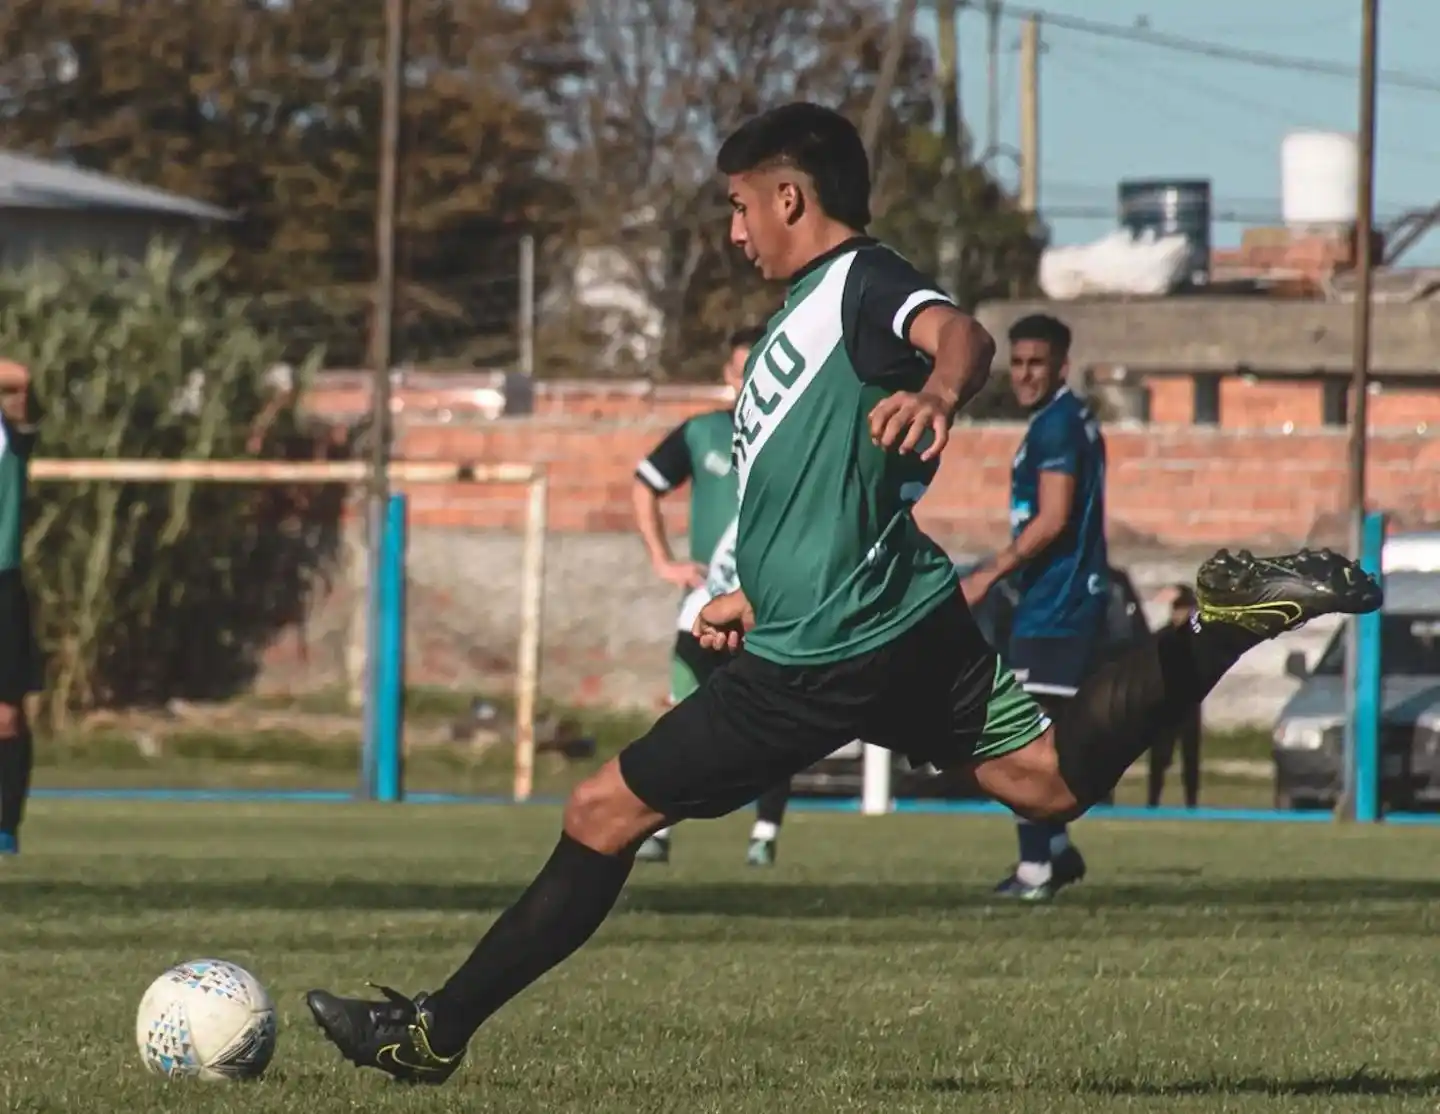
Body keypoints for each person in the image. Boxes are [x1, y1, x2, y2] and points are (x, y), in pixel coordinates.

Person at [304, 102, 1382, 1084]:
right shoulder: (804, 315)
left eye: (739, 207)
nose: (735, 234)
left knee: (602, 810)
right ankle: (1221, 625)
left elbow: (962, 334)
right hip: (891, 617)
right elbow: (814, 492)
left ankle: (433, 1033)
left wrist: (943, 390)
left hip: (826, 654)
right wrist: (759, 598)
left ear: (788, 196)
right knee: (1046, 785)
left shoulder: (861, 283)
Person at [631, 326, 792, 867]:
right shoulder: (701, 433)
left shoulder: (794, 435)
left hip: (771, 603)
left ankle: (764, 835)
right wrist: (662, 559)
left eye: (758, 369)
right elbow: (644, 482)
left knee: (775, 719)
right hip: (704, 599)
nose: (748, 379)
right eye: (740, 368)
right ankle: (658, 828)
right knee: (684, 713)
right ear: (728, 374)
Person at [960, 313, 1107, 902]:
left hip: (1059, 605)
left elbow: (1051, 520)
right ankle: (1059, 852)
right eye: (1016, 362)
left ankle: (1035, 871)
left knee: (1017, 742)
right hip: (1050, 603)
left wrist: (987, 576)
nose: (1023, 374)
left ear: (1061, 366)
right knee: (1037, 737)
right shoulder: (1062, 421)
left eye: (1035, 363)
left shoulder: (1056, 428)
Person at [0, 359, 40, 857]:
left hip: (0, 583)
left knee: (6, 717)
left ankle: (5, 825)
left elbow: (19, 376)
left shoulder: (10, 424)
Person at [1147, 584, 1204, 808]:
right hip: (1164, 704)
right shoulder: (1161, 636)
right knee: (1160, 755)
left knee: (1190, 757)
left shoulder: (1199, 638)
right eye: (1178, 609)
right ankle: (1152, 801)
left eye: (1186, 609)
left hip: (1190, 704)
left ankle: (1191, 802)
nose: (1181, 614)